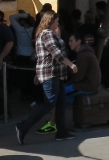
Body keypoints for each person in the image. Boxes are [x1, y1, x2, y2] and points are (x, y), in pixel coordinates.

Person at [14, 11, 76, 144]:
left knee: (60, 104)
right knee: (49, 103)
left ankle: (62, 132)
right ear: (50, 21)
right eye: (56, 20)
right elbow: (56, 54)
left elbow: (41, 56)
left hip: (56, 73)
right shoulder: (47, 34)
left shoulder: (47, 33)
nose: (58, 23)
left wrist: (38, 73)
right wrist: (71, 64)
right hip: (51, 73)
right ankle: (23, 126)